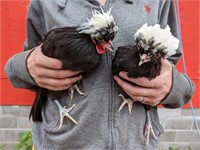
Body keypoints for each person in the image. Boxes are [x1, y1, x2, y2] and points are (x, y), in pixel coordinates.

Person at [5, 0, 195, 149]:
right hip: (62, 143)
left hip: (136, 143)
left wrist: (173, 86)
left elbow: (169, 62)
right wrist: (25, 66)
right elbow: (30, 58)